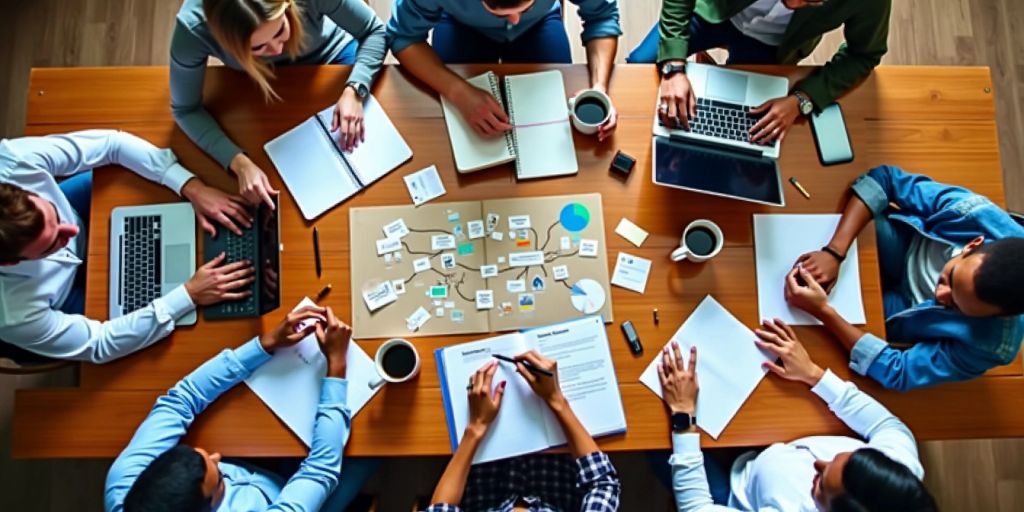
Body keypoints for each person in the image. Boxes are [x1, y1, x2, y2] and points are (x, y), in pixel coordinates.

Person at [0, 130, 254, 363]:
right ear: (9, 262)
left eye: (54, 214)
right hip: (62, 299)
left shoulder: (13, 162)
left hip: (78, 207)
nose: (73, 231)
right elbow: (100, 343)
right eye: (50, 245)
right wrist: (188, 295)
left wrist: (191, 187)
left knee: (131, 181)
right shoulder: (14, 315)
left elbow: (112, 145)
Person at [105, 305, 378, 512]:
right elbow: (319, 471)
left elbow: (182, 400)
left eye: (205, 458)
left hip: (263, 473)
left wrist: (263, 345)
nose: (217, 457)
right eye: (219, 480)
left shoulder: (125, 483)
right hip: (292, 499)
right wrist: (336, 365)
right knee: (372, 440)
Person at [785, 165, 1024, 391]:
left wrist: (824, 312)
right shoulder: (974, 212)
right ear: (972, 245)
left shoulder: (993, 346)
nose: (940, 295)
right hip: (903, 245)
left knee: (818, 337)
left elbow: (899, 371)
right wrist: (834, 252)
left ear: (1000, 316)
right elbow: (884, 180)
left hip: (906, 310)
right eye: (949, 279)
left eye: (957, 306)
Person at [659, 318, 937, 511]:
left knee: (653, 433)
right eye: (840, 460)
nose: (817, 464)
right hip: (780, 442)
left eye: (821, 485)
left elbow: (696, 506)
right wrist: (813, 374)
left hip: (734, 491)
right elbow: (886, 426)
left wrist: (683, 415)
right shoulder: (900, 469)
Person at [171, 0, 387, 207]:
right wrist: (239, 163)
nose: (276, 50)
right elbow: (185, 110)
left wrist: (354, 90)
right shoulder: (193, 29)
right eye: (258, 47)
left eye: (280, 30)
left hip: (333, 57)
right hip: (259, 84)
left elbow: (375, 31)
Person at [631, 0, 890, 144]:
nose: (794, 4)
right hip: (712, 11)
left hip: (773, 47)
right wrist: (674, 67)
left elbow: (864, 54)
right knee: (634, 75)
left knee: (744, 130)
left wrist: (802, 99)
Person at [386, 0, 622, 142]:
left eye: (523, 6)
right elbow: (403, 37)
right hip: (461, 25)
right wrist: (458, 92)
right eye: (497, 11)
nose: (514, 20)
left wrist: (599, 88)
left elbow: (602, 15)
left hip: (539, 24)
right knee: (449, 131)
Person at [423, 351, 621, 511]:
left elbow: (441, 508)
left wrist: (475, 428)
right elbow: (603, 484)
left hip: (481, 455)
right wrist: (557, 401)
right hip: (558, 449)